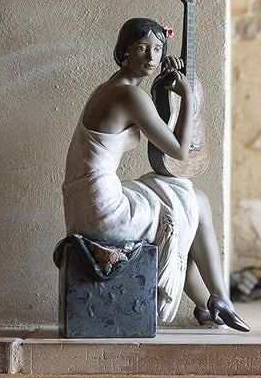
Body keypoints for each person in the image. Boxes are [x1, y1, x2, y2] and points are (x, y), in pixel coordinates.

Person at [62, 17, 249, 331]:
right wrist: (187, 95)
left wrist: (162, 87)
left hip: (85, 200)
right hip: (104, 211)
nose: (151, 57)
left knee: (182, 206)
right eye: (141, 48)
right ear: (124, 53)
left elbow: (154, 126)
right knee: (194, 203)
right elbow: (177, 150)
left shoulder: (113, 87)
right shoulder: (130, 96)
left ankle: (208, 305)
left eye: (158, 49)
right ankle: (219, 299)